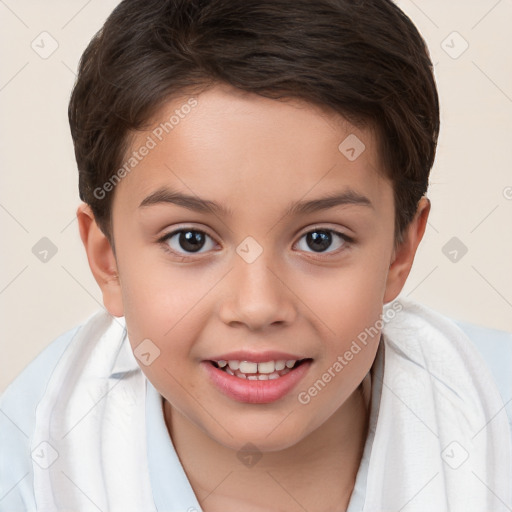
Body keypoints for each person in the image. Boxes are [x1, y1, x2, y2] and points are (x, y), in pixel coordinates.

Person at [1, 0, 511, 510]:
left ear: (401, 251)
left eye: (320, 239)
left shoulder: (494, 419)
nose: (257, 306)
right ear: (107, 259)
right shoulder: (32, 455)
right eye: (191, 240)